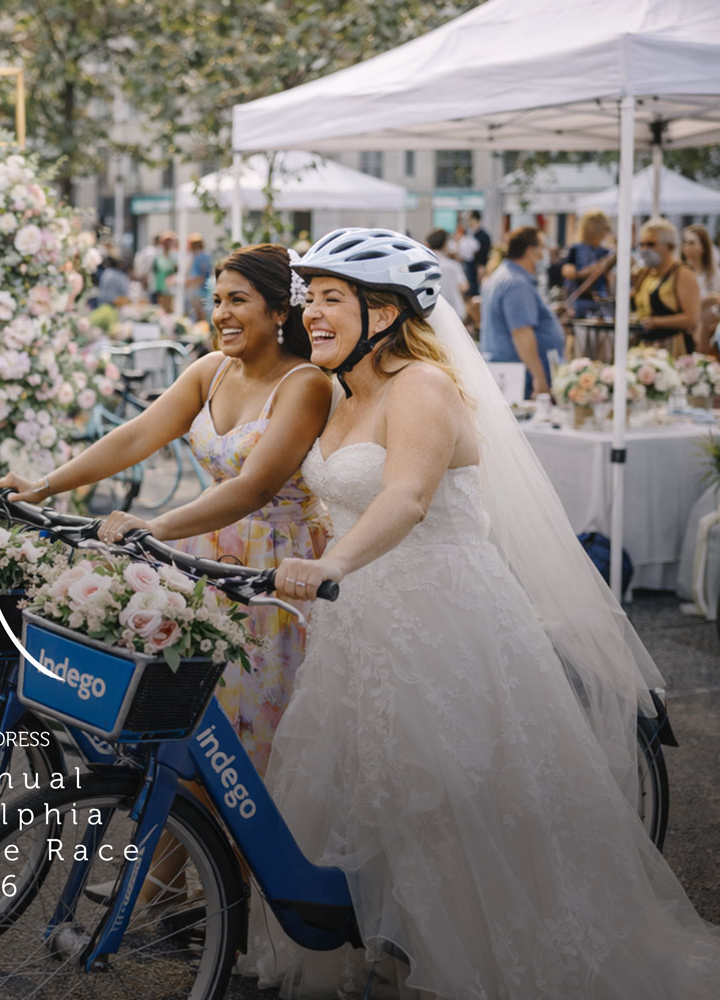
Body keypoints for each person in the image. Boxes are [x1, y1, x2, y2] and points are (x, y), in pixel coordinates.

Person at [241, 227, 720, 997]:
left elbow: (407, 494)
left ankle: (471, 962)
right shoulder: (335, 392)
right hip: (360, 624)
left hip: (445, 622)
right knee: (361, 789)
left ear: (388, 311)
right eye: (311, 300)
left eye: (333, 300)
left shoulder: (423, 387)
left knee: (454, 795)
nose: (313, 316)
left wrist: (331, 561)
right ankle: (393, 946)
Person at [0, 244, 333, 777]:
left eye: (238, 300)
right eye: (216, 300)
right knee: (185, 737)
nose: (221, 315)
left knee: (248, 737)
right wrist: (44, 486)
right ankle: (168, 859)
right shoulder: (212, 370)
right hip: (205, 555)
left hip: (273, 569)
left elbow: (254, 487)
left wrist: (157, 526)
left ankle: (234, 858)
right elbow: (137, 436)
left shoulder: (305, 384)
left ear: (280, 311)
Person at [478, 225, 562, 397]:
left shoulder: (502, 275)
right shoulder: (517, 283)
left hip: (506, 370)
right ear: (530, 251)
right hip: (519, 375)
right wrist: (539, 378)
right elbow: (522, 333)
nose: (544, 253)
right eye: (542, 248)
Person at [632, 218, 701, 356]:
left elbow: (691, 318)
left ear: (669, 246)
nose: (645, 249)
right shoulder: (646, 273)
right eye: (642, 244)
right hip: (645, 347)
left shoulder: (682, 274)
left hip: (673, 348)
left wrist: (656, 322)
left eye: (651, 244)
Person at [561, 209, 616, 319]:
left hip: (601, 302)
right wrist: (597, 267)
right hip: (580, 301)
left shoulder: (605, 252)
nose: (605, 234)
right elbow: (568, 272)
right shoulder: (575, 249)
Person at [681, 224, 719, 355]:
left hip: (708, 337)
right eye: (685, 242)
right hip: (684, 334)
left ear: (703, 247)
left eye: (691, 243)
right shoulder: (681, 275)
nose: (686, 247)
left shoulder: (715, 277)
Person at [423, 228, 468, 321]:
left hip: (431, 314)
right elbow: (464, 287)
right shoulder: (453, 265)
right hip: (455, 311)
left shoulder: (424, 265)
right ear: (445, 245)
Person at [461, 209, 491, 296]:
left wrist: (481, 267)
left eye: (469, 219)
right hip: (467, 265)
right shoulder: (468, 232)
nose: (467, 222)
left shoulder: (483, 236)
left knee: (475, 290)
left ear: (474, 219)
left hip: (477, 267)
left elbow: (485, 253)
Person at [185, 233, 213, 322]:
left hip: (197, 291)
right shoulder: (207, 256)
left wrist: (184, 282)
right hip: (206, 290)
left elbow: (197, 277)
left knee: (199, 317)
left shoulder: (197, 257)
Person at [152, 231, 179, 312]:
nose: (167, 243)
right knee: (161, 309)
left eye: (169, 241)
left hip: (172, 287)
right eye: (165, 241)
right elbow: (155, 270)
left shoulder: (176, 255)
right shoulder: (158, 256)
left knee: (171, 308)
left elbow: (177, 270)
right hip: (160, 286)